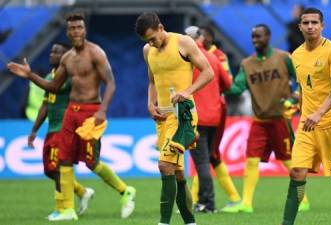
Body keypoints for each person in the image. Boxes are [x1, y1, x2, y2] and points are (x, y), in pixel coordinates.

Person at [7, 12, 136, 221]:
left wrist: (102, 110)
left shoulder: (96, 53)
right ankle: (67, 210)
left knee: (92, 162)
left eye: (79, 27)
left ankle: (125, 190)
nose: (76, 31)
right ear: (67, 32)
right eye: (72, 28)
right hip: (71, 112)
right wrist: (30, 75)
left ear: (84, 30)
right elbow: (53, 87)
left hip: (90, 112)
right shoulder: (67, 58)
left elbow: (111, 82)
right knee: (63, 160)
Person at [280, 8, 331, 225]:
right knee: (296, 172)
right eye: (306, 23)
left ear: (322, 25)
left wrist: (318, 112)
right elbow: (305, 88)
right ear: (300, 26)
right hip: (307, 125)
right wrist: (295, 104)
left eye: (315, 22)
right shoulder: (296, 55)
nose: (311, 26)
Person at [135, 12, 213, 225]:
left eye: (153, 38)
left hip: (183, 115)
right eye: (147, 41)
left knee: (164, 166)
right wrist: (150, 104)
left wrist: (188, 91)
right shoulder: (147, 50)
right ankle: (190, 222)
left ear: (161, 27)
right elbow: (152, 81)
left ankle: (163, 222)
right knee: (177, 173)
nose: (151, 43)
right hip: (163, 118)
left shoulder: (183, 42)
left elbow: (208, 72)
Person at [222, 24, 309, 213]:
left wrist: (296, 96)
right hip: (259, 120)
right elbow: (237, 88)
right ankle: (246, 203)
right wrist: (221, 82)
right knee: (251, 160)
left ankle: (303, 199)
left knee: (290, 162)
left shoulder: (284, 58)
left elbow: (302, 80)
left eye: (259, 36)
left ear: (268, 37)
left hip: (280, 119)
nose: (255, 40)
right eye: (253, 37)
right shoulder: (247, 64)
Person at [28, 42, 95, 220]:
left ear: (66, 57)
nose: (52, 54)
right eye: (52, 51)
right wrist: (34, 130)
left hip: (64, 129)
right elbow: (45, 103)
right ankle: (82, 192)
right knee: (49, 170)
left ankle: (64, 209)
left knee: (57, 167)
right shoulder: (51, 76)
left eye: (57, 52)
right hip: (52, 128)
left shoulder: (70, 78)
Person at [184, 26, 235, 213]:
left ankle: (207, 203)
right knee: (207, 160)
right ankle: (204, 201)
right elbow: (228, 84)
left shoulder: (186, 60)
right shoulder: (213, 57)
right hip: (215, 117)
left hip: (197, 118)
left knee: (202, 162)